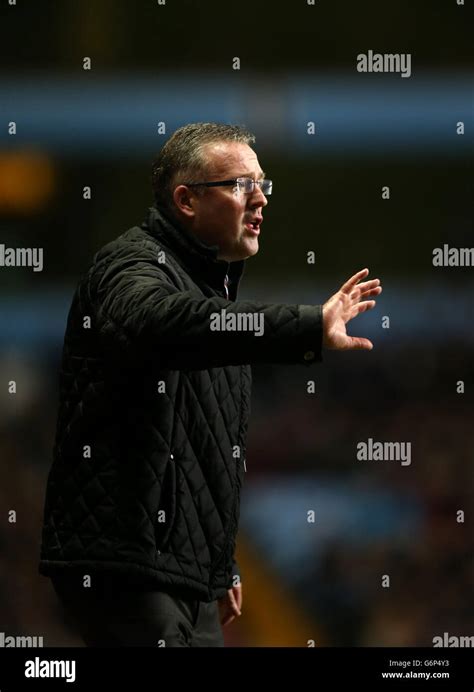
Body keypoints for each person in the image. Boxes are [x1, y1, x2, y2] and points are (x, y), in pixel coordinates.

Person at [38, 122, 382, 647]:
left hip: (186, 576)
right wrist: (308, 325)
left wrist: (221, 565)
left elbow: (205, 453)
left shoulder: (211, 300)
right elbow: (161, 323)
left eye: (263, 183)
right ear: (187, 200)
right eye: (241, 184)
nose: (261, 198)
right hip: (127, 568)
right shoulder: (128, 265)